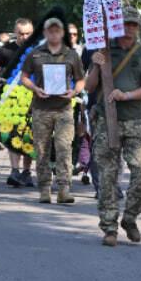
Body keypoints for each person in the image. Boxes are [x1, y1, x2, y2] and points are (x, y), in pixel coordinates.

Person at [85, 6, 141, 247]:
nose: (128, 29)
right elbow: (89, 87)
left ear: (138, 27)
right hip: (107, 121)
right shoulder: (105, 49)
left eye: (133, 25)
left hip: (134, 120)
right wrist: (96, 65)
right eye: (125, 24)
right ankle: (109, 227)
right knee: (107, 175)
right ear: (117, 26)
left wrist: (126, 95)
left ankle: (130, 218)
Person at [21, 17, 86, 204]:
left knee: (64, 148)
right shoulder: (35, 54)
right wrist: (34, 88)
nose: (54, 34)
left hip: (64, 108)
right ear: (45, 33)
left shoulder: (71, 55)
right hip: (41, 108)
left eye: (57, 31)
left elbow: (81, 80)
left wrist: (74, 91)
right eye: (50, 31)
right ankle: (44, 188)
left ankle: (64, 188)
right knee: (41, 149)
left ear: (62, 33)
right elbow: (24, 77)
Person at [0, 18, 36, 180]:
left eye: (28, 34)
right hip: (10, 99)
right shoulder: (5, 50)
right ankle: (14, 170)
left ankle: (26, 171)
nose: (24, 37)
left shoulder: (38, 50)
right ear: (15, 32)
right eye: (21, 33)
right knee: (12, 135)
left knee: (29, 135)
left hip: (33, 97)